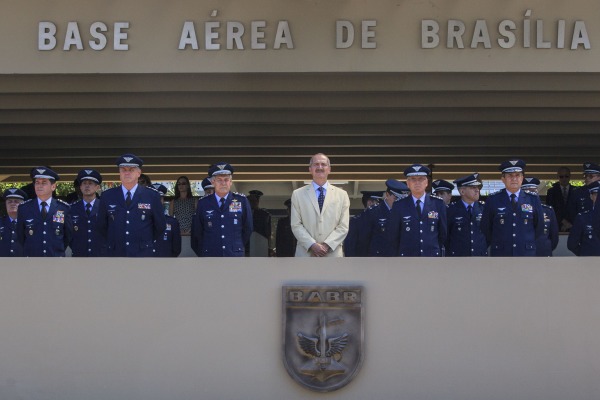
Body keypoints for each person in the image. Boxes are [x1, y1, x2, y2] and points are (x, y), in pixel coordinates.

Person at [97, 154, 166, 257]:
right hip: (116, 253)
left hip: (142, 254)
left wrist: (144, 242)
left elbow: (160, 226)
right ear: (119, 173)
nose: (127, 173)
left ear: (139, 173)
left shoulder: (152, 196)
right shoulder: (107, 196)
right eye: (123, 169)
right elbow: (101, 226)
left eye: (131, 169)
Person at [480, 159, 545, 256]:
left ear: (522, 178)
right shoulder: (493, 199)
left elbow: (539, 227)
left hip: (526, 253)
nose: (514, 179)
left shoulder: (533, 199)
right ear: (503, 179)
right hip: (501, 253)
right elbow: (486, 227)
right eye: (510, 175)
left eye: (517, 175)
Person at [290, 153, 350, 257]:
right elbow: (296, 225)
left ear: (329, 169)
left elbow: (343, 226)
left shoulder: (342, 195)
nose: (320, 167)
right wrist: (312, 245)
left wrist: (326, 245)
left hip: (332, 254)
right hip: (306, 254)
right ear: (310, 169)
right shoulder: (297, 194)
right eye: (316, 164)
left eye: (323, 164)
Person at [193, 162, 253, 257]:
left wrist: (235, 245)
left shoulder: (242, 201)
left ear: (231, 182)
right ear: (213, 182)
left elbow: (248, 228)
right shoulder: (203, 203)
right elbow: (198, 231)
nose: (223, 183)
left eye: (226, 180)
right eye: (219, 180)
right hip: (211, 255)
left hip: (234, 255)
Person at [16, 167, 72, 257]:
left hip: (55, 260)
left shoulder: (63, 208)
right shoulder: (24, 208)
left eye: (44, 182)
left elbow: (67, 236)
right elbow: (20, 236)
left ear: (53, 186)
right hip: (32, 260)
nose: (39, 185)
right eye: (37, 182)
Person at [393, 164, 447, 257]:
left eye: (421, 179)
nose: (417, 182)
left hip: (431, 258)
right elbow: (394, 236)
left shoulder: (438, 204)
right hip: (407, 258)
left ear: (426, 182)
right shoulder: (399, 205)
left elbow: (443, 234)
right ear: (408, 183)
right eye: (413, 179)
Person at [445, 173, 488, 257]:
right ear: (462, 191)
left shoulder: (484, 209)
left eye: (478, 187)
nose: (477, 190)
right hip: (458, 258)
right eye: (473, 187)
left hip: (480, 257)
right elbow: (445, 237)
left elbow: (489, 235)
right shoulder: (450, 210)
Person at [363, 179, 408, 256]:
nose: (399, 202)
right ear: (387, 195)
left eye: (402, 199)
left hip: (400, 259)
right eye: (396, 198)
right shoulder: (373, 212)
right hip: (378, 260)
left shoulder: (406, 212)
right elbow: (364, 240)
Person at [69, 169, 107, 257]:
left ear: (97, 187)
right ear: (80, 187)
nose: (87, 186)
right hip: (79, 255)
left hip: (101, 256)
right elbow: (68, 234)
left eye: (90, 183)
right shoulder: (72, 208)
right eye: (84, 183)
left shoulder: (105, 207)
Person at [520, 177, 559, 256]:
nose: (530, 195)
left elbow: (554, 238)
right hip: (522, 255)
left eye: (533, 191)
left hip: (543, 254)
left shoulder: (548, 211)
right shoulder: (515, 211)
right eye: (526, 192)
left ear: (537, 192)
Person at [344, 190, 383, 257]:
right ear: (369, 203)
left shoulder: (382, 219)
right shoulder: (356, 221)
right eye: (377, 203)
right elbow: (350, 245)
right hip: (361, 261)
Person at [567, 181, 600, 256]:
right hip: (589, 263)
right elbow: (572, 244)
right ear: (591, 196)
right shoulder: (582, 218)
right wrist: (584, 255)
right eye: (597, 195)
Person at [152, 184, 182, 257]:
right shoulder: (142, 221)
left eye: (160, 198)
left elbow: (176, 249)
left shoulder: (172, 222)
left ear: (162, 200)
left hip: (166, 264)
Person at [545, 166, 575, 232]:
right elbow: (550, 209)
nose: (564, 179)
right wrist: (563, 222)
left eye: (566, 176)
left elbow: (578, 209)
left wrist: (570, 224)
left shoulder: (576, 191)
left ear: (570, 176)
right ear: (558, 177)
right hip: (557, 227)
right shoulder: (551, 192)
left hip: (573, 227)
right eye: (561, 176)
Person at [0, 188, 27, 257]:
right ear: (5, 204)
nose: (12, 204)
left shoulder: (29, 224)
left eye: (16, 201)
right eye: (9, 201)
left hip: (23, 265)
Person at [247, 189, 272, 254]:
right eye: (250, 201)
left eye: (254, 201)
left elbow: (268, 233)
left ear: (258, 201)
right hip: (246, 246)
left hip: (260, 245)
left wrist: (268, 247)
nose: (253, 203)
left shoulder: (264, 215)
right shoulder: (244, 214)